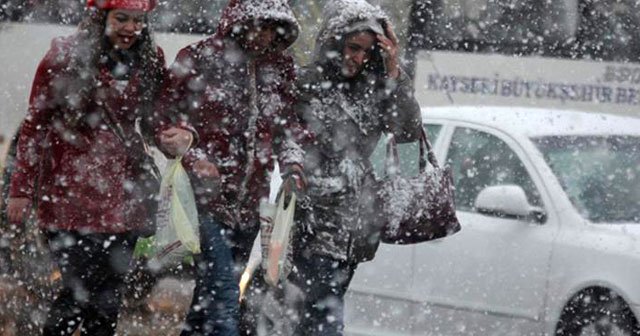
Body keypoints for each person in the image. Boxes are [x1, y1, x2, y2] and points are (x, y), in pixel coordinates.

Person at [6, 0, 195, 334]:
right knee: (77, 292)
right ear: (99, 17)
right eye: (121, 18)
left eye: (138, 21)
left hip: (125, 196)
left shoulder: (151, 60)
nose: (130, 29)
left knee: (108, 297)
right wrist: (20, 189)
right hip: (68, 193)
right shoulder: (64, 57)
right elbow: (35, 125)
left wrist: (179, 136)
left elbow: (154, 121)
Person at [158, 0, 307, 335]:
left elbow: (287, 125)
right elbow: (162, 121)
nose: (264, 35)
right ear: (238, 22)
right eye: (258, 25)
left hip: (251, 203)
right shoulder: (196, 58)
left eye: (272, 28)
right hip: (203, 202)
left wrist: (293, 167)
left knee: (207, 297)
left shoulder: (280, 67)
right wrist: (194, 155)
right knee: (226, 295)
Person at [287, 0, 423, 334]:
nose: (358, 58)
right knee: (323, 309)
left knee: (318, 311)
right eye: (351, 47)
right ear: (334, 41)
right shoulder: (307, 82)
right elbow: (299, 139)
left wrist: (393, 69)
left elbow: (407, 130)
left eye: (366, 51)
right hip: (313, 215)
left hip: (355, 223)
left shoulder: (376, 87)